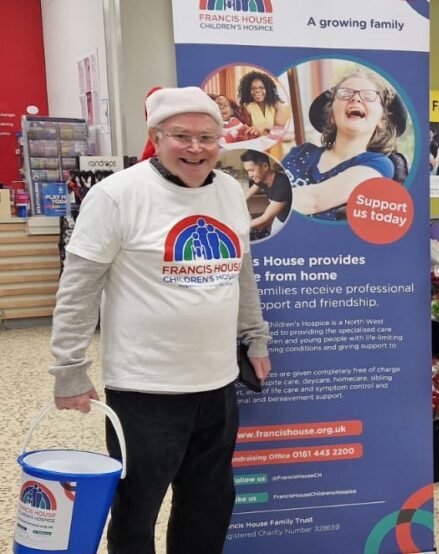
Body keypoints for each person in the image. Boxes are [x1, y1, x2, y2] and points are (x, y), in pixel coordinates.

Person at [49, 87, 272, 554]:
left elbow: (242, 274)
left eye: (208, 137)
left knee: (209, 503)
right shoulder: (117, 194)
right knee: (137, 509)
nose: (196, 148)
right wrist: (69, 369)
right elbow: (79, 288)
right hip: (145, 390)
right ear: (156, 136)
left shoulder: (230, 191)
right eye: (182, 136)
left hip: (217, 384)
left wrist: (255, 337)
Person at [282, 69, 407, 220]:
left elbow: (314, 200)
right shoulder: (300, 152)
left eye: (368, 96)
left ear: (382, 121)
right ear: (331, 116)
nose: (356, 98)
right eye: (345, 94)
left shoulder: (379, 165)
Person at [241, 149, 291, 234]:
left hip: (288, 223)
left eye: (252, 170)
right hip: (279, 217)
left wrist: (237, 226)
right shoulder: (262, 179)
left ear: (265, 166)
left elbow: (265, 218)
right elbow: (246, 195)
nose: (249, 175)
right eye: (248, 171)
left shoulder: (282, 184)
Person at [237, 70, 290, 139]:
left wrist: (265, 126)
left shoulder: (276, 104)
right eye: (253, 88)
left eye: (261, 87)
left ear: (268, 89)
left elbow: (280, 130)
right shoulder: (246, 107)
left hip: (274, 142)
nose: (257, 90)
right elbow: (248, 132)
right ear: (248, 91)